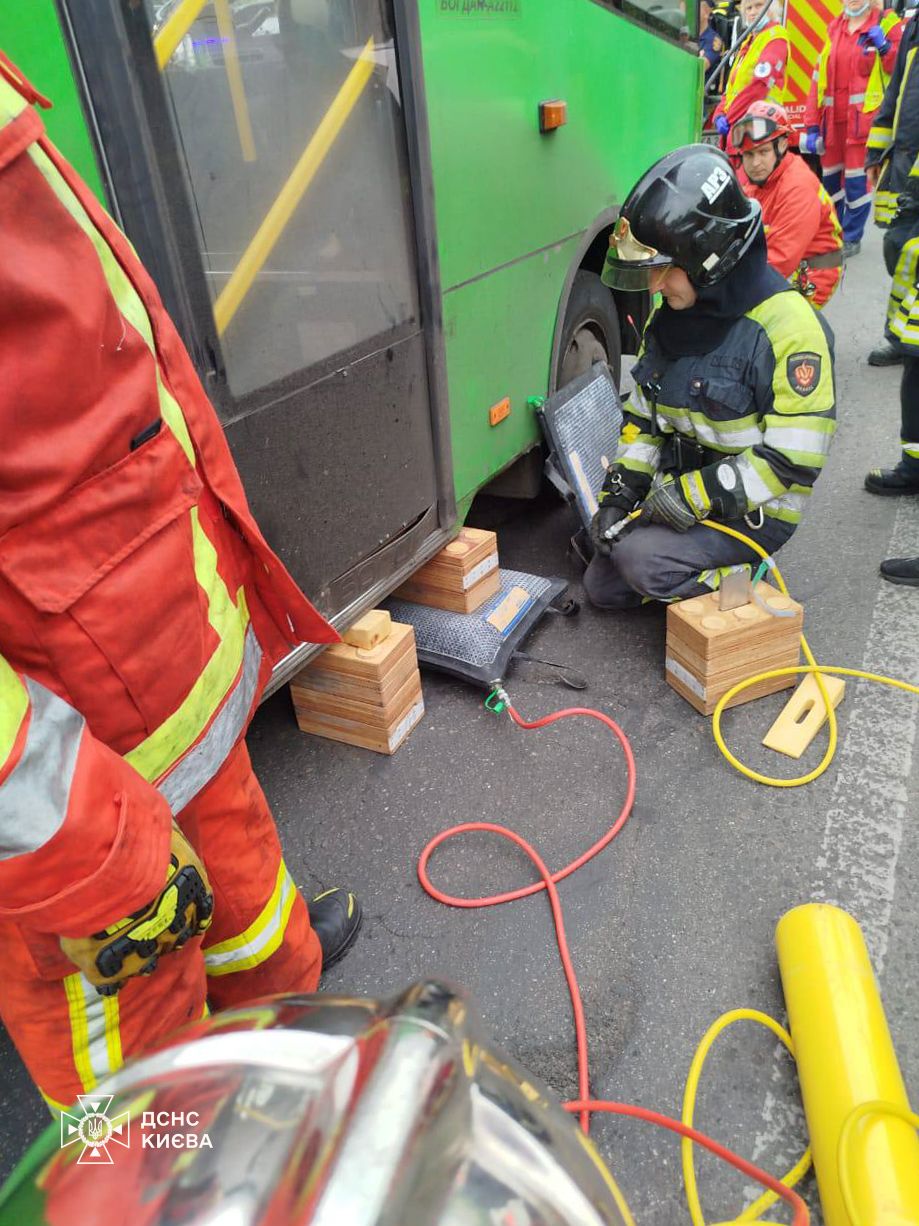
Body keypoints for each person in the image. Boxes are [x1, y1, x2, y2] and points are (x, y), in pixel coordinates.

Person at [0, 53, 362, 1111]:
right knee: (146, 1116)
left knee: (253, 911)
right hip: (79, 808)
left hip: (157, 689)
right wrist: (80, 838)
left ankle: (283, 1034)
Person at [586, 145, 836, 611]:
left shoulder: (788, 328)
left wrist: (692, 496)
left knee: (642, 564)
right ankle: (677, 568)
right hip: (685, 495)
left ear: (708, 258)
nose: (655, 287)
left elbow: (792, 460)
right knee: (602, 584)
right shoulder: (671, 322)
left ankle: (748, 581)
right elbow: (643, 421)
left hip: (755, 510)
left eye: (664, 271)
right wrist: (620, 496)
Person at [802, 0, 902, 257]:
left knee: (858, 185)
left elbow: (900, 69)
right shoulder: (834, 28)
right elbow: (817, 80)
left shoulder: (886, 23)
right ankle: (832, 233)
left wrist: (885, 47)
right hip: (833, 125)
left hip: (863, 126)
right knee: (831, 183)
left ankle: (851, 237)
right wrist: (811, 124)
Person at [734, 101, 844, 307]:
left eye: (763, 152)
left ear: (782, 145)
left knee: (771, 329)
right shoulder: (759, 177)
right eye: (749, 154)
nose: (755, 162)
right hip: (782, 264)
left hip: (810, 276)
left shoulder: (797, 186)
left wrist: (728, 291)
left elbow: (780, 260)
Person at [864, 4, 919, 366]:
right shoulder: (915, 27)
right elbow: (896, 90)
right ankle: (901, 334)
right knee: (896, 246)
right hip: (903, 159)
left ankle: (905, 341)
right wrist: (875, 152)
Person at [710, 0, 788, 144]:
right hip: (740, 127)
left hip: (760, 128)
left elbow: (759, 87)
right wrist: (719, 114)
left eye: (759, 6)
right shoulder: (748, 42)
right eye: (748, 8)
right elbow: (731, 89)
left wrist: (729, 117)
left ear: (771, 8)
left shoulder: (775, 38)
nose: (752, 12)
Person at [699, 0, 724, 71]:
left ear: (706, 12)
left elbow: (701, 68)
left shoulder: (713, 40)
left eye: (695, 9)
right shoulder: (684, 34)